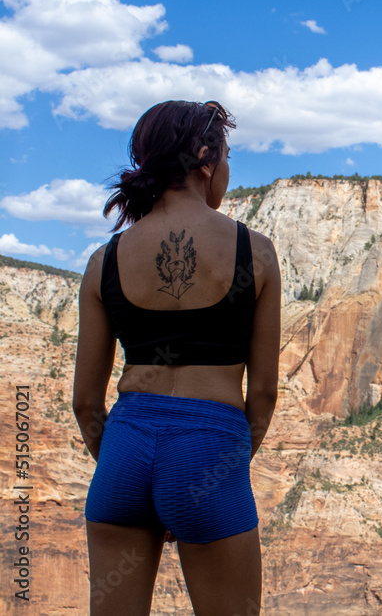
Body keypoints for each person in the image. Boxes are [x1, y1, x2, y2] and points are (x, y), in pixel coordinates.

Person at [73, 100, 280, 615]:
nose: (228, 172)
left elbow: (85, 402)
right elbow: (265, 394)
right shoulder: (253, 252)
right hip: (210, 448)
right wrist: (210, 471)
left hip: (123, 449)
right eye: (227, 157)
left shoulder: (105, 262)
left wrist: (133, 471)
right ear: (207, 158)